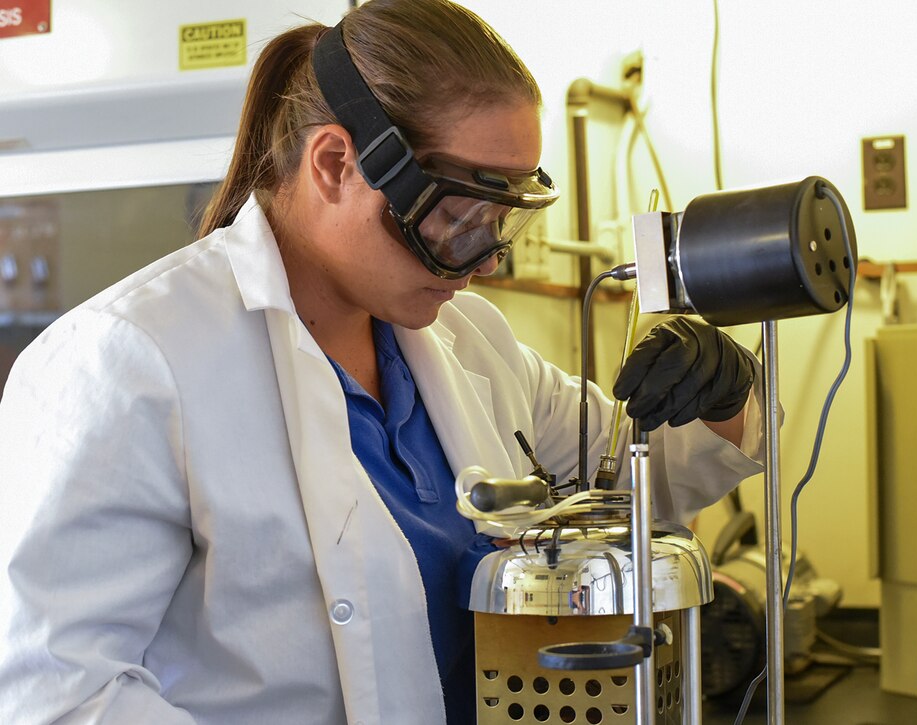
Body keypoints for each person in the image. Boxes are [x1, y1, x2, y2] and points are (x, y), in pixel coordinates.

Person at [0, 1, 768, 723]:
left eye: (501, 221)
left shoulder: (472, 340)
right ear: (336, 163)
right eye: (458, 216)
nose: (482, 261)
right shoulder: (132, 359)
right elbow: (56, 691)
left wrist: (722, 394)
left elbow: (642, 479)